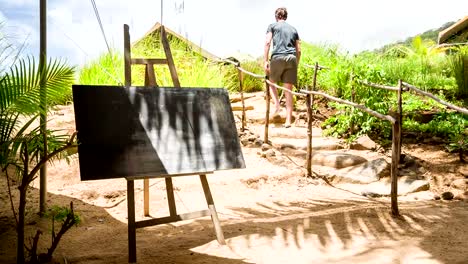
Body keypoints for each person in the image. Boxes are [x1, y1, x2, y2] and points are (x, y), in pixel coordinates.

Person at [264, 7, 301, 128]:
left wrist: (265, 60)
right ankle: (288, 121)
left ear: (276, 16)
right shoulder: (294, 29)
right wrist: (296, 63)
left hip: (278, 57)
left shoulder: (272, 26)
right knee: (288, 90)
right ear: (286, 17)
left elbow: (267, 42)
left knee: (271, 82)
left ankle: (277, 106)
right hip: (291, 58)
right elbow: (299, 50)